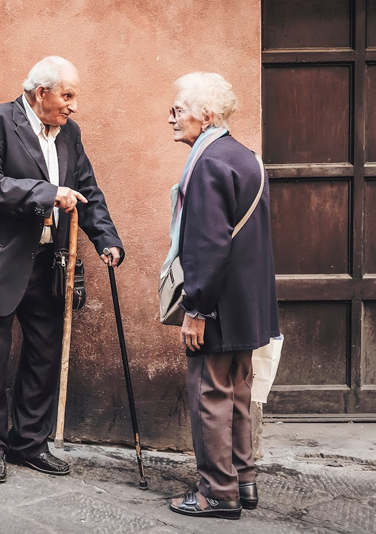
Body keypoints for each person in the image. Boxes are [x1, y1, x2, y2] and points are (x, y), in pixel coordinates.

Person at [0, 56, 124, 483]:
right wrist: (47, 193)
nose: (73, 106)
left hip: (48, 264)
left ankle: (29, 443)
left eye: (74, 96)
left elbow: (87, 190)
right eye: (67, 95)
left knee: (44, 357)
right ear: (40, 92)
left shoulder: (70, 134)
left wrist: (107, 239)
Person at [162, 72, 280, 519]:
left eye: (179, 109)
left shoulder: (208, 162)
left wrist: (197, 309)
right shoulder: (246, 156)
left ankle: (217, 492)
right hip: (246, 306)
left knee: (210, 394)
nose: (171, 117)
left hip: (217, 306)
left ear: (205, 115)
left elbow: (209, 244)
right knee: (238, 392)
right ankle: (243, 481)